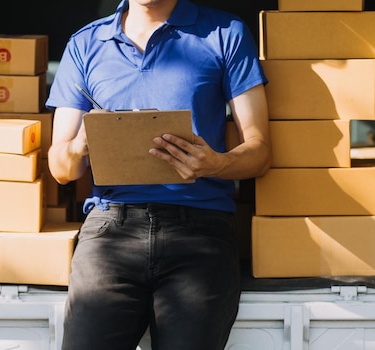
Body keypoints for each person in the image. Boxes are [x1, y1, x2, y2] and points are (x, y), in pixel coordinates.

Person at [46, 0, 271, 349]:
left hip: (201, 232)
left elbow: (260, 151)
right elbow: (61, 169)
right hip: (110, 230)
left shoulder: (225, 33)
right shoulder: (86, 43)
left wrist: (216, 164)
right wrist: (82, 144)